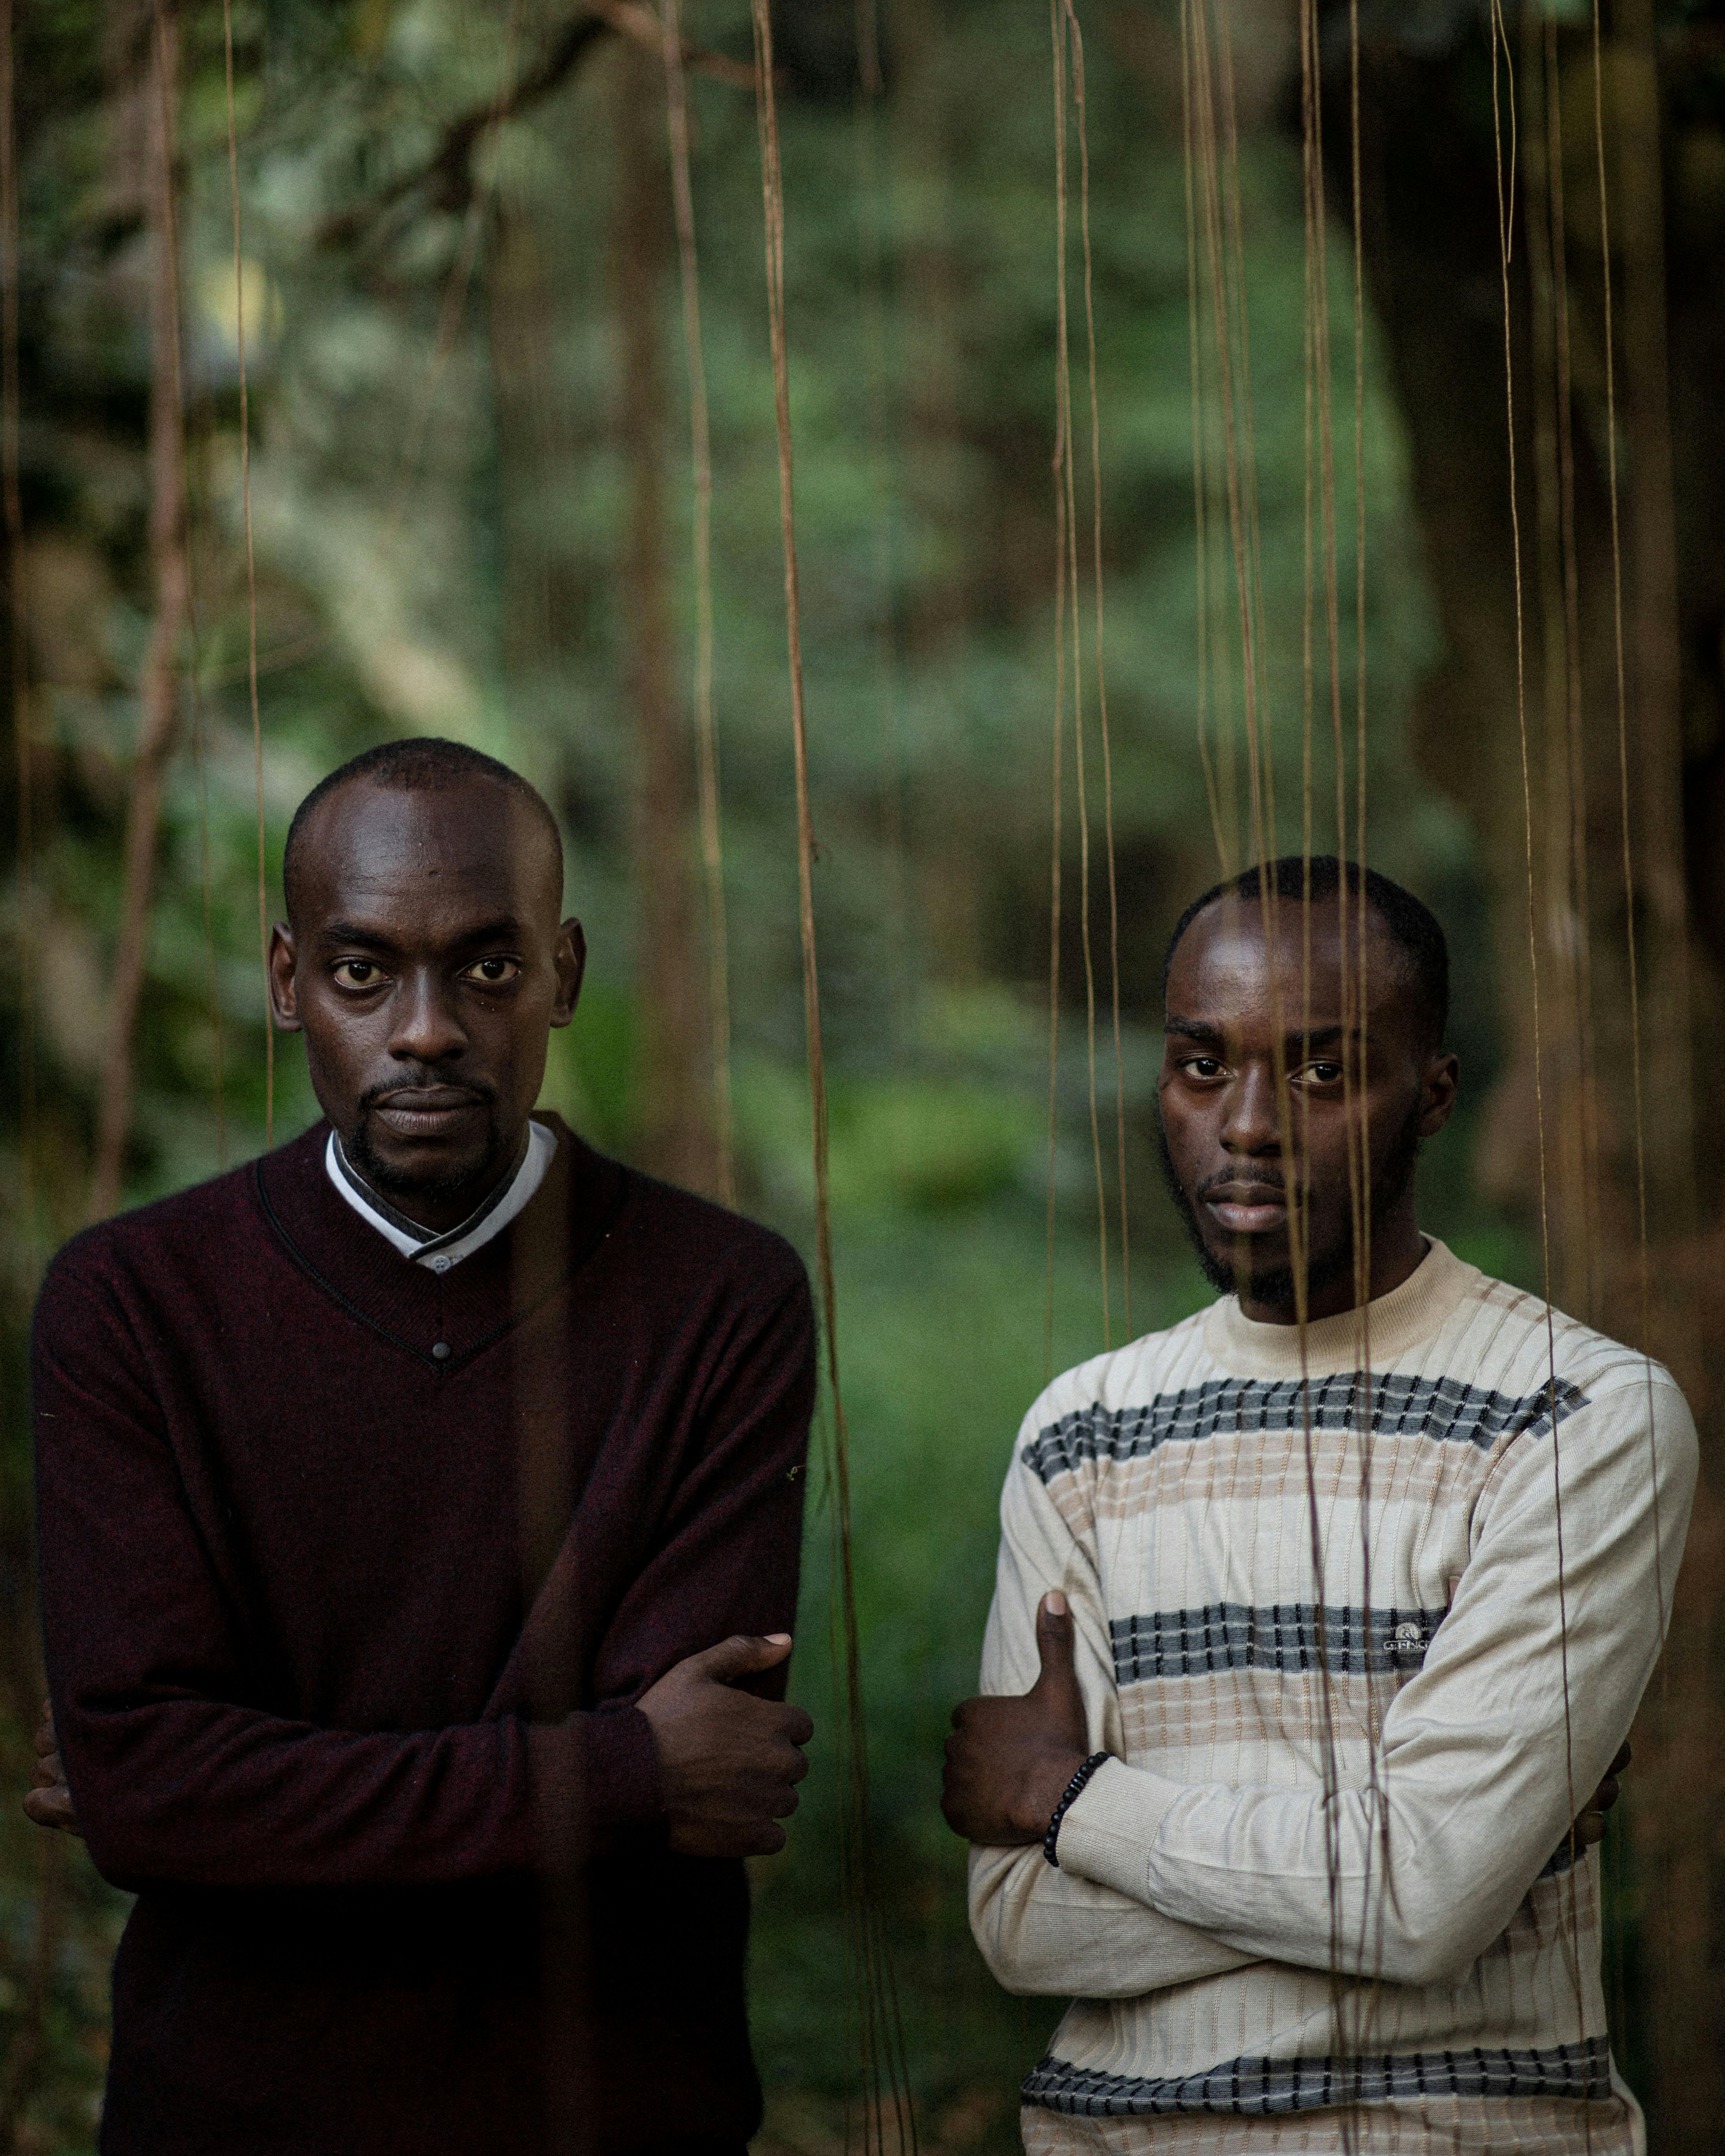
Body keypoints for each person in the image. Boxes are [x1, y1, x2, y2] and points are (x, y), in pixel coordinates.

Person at [28, 738, 817, 2156]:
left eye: (488, 970)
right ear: (287, 985)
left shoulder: (719, 1297)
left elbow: (713, 1785)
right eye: (361, 972)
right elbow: (153, 1796)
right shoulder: (131, 1303)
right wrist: (617, 1772)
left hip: (614, 2111)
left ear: (563, 975)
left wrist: (246, 1794)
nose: (428, 1029)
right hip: (231, 2117)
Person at [942, 857, 1696, 2155]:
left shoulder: (1575, 1415)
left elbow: (1426, 1899)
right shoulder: (1085, 1431)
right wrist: (1416, 1860)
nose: (1245, 1125)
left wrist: (1074, 1806)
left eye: (1322, 1073)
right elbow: (1021, 1924)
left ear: (1434, 1096)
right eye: (1199, 1065)